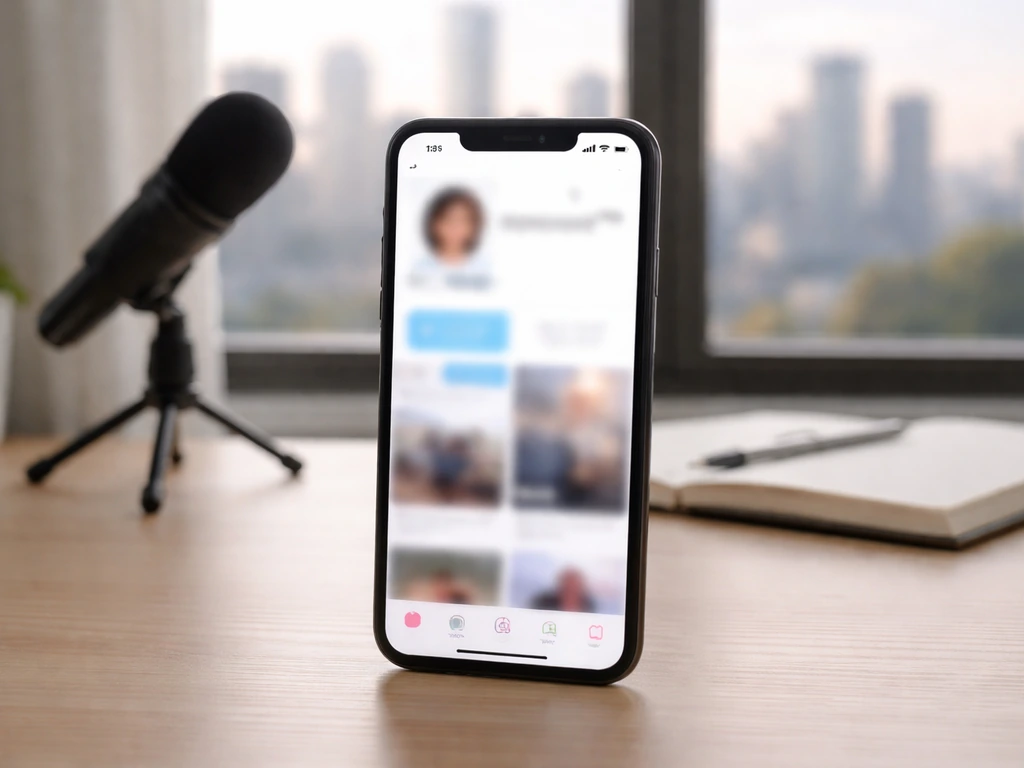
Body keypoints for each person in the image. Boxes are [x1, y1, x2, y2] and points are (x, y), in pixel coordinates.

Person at [424, 189, 484, 266]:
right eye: (448, 221)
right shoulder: (418, 268)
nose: (455, 228)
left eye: (462, 221)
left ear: (474, 227)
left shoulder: (486, 267)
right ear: (434, 225)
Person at [530, 568, 596, 613]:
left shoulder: (588, 604)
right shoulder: (544, 602)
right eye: (568, 584)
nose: (571, 588)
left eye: (575, 585)